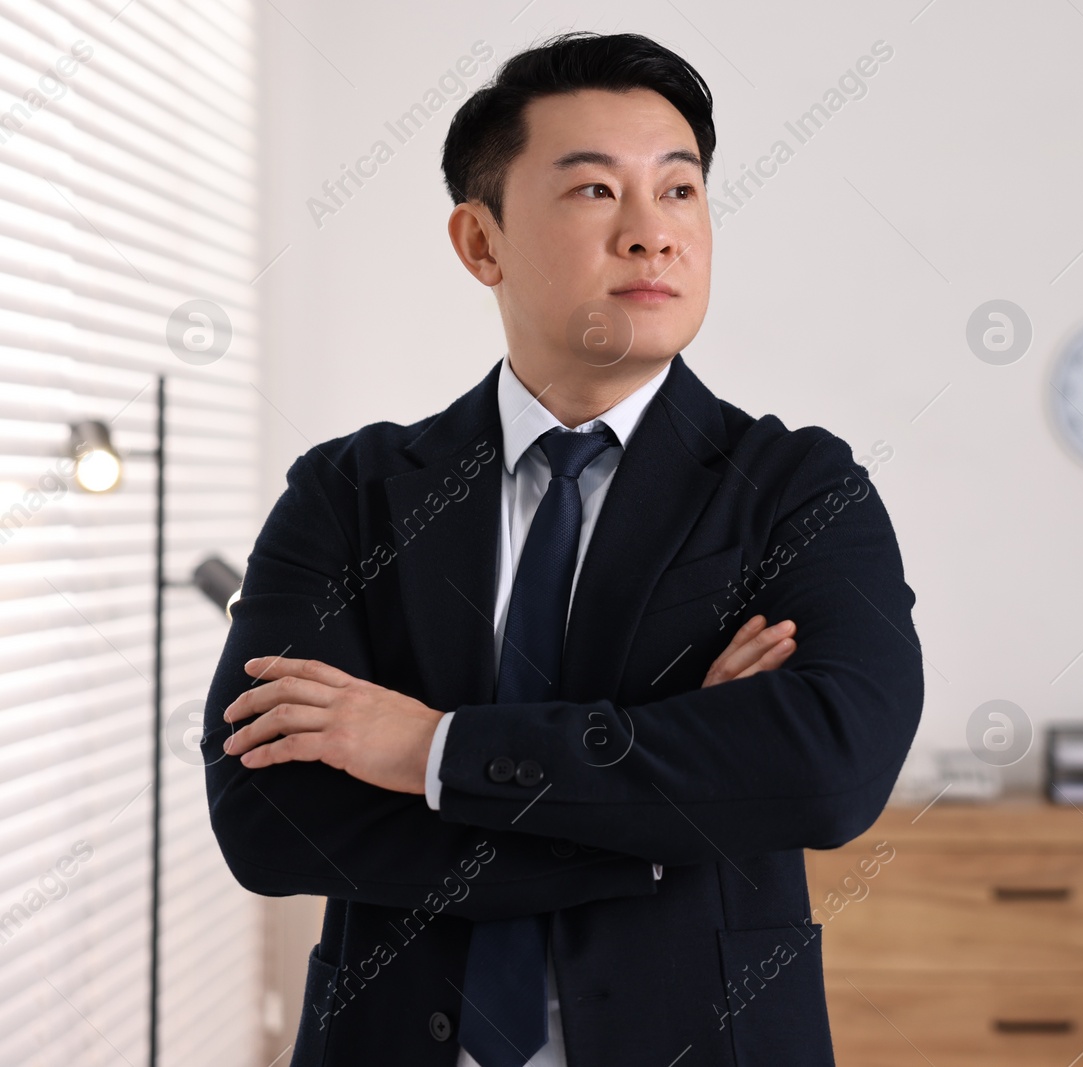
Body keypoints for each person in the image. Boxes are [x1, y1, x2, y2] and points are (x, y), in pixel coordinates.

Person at [203, 29, 923, 1067]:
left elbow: (826, 775)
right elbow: (269, 819)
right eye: (594, 192)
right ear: (480, 242)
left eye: (679, 191)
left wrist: (426, 752)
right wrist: (674, 815)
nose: (652, 234)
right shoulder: (349, 493)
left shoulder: (796, 489)